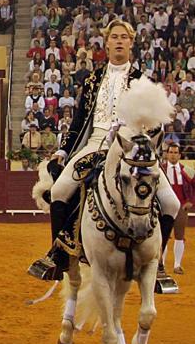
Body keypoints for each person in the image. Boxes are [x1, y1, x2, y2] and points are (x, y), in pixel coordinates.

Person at [30, 19, 180, 281]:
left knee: (172, 203)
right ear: (107, 43)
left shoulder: (143, 82)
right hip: (94, 143)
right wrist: (64, 152)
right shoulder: (92, 79)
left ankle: (158, 265)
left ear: (131, 43)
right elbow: (79, 120)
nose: (119, 41)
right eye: (114, 37)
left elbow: (156, 124)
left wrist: (141, 135)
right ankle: (58, 254)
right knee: (59, 191)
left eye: (124, 37)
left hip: (131, 146)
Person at [161, 142, 195, 274]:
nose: (173, 155)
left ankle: (177, 264)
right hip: (164, 207)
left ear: (179, 155)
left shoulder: (186, 170)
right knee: (163, 237)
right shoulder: (161, 169)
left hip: (181, 206)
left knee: (179, 236)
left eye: (176, 153)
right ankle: (161, 264)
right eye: (171, 152)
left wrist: (191, 201)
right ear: (167, 154)